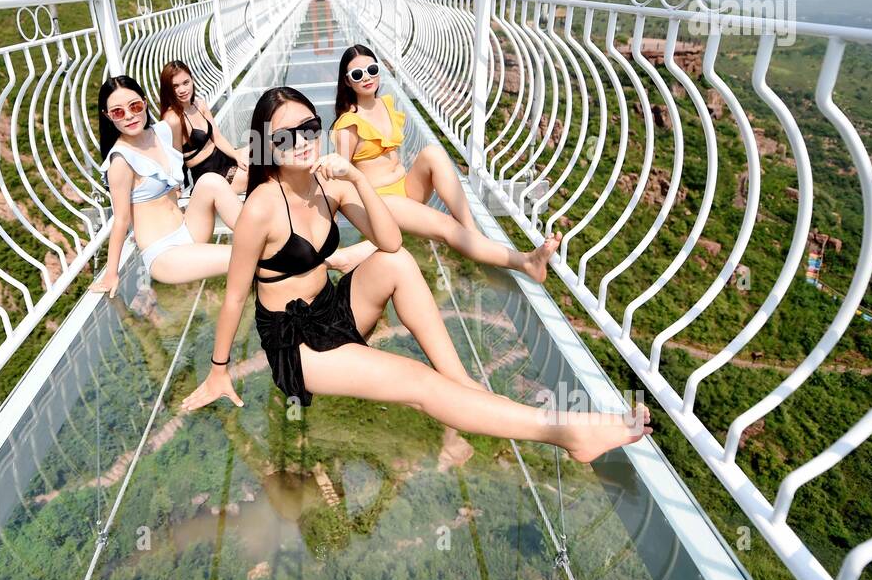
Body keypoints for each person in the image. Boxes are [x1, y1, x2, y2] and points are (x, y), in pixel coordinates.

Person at [180, 86, 652, 465]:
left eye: (309, 127)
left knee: (397, 264)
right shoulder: (260, 208)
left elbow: (390, 242)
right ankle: (569, 433)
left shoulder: (330, 184)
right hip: (298, 347)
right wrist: (219, 372)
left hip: (334, 312)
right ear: (266, 143)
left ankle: (465, 392)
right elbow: (235, 298)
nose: (301, 141)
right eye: (284, 136)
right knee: (421, 384)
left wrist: (358, 180)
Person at [331, 44, 561, 280]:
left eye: (372, 69)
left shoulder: (385, 104)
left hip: (405, 189)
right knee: (445, 227)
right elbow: (342, 177)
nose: (367, 77)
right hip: (381, 201)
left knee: (433, 153)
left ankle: (471, 232)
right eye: (357, 74)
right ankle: (526, 262)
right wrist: (345, 220)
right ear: (348, 82)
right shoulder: (348, 123)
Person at [90, 75, 241, 296]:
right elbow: (121, 220)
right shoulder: (120, 161)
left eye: (135, 106)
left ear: (144, 102)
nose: (130, 115)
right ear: (108, 116)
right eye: (118, 112)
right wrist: (111, 272)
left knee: (212, 181)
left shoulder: (161, 131)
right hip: (165, 253)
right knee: (245, 256)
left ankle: (263, 234)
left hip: (188, 228)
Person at [158, 60, 248, 194]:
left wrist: (236, 156)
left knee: (264, 149)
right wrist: (177, 191)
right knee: (258, 173)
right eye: (175, 86)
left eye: (185, 82)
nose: (182, 90)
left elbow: (217, 137)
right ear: (168, 89)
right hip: (208, 175)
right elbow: (174, 160)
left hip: (223, 159)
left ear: (192, 80)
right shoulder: (173, 119)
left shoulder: (200, 104)